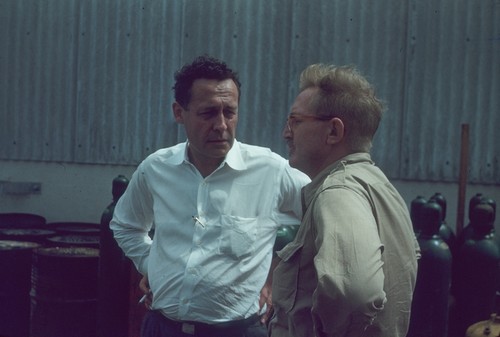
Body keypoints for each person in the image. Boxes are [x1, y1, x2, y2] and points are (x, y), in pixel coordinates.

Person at [110, 55, 310, 337]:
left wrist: (279, 278)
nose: (221, 125)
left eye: (230, 112)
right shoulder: (156, 169)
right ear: (179, 113)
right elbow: (126, 225)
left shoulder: (271, 171)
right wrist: (152, 266)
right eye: (208, 113)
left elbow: (326, 217)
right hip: (163, 328)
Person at [269, 64, 420, 337]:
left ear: (334, 132)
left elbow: (355, 291)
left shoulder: (338, 191)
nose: (286, 133)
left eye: (296, 121)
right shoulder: (380, 185)